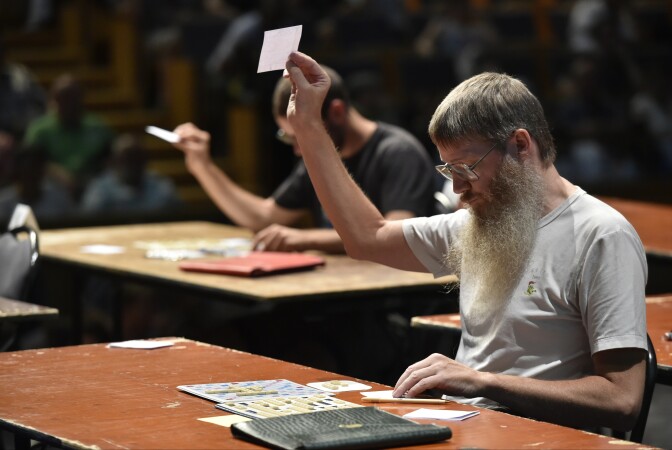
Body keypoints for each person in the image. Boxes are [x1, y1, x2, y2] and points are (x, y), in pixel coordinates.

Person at [282, 51, 648, 433]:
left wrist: (481, 381)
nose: (456, 188)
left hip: (541, 437)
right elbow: (366, 237)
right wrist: (309, 127)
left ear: (520, 145)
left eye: (466, 169)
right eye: (447, 170)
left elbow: (621, 400)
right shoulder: (479, 223)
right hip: (468, 427)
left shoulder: (601, 235)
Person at [171, 65, 436, 253]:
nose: (299, 150)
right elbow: (264, 218)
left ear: (337, 111)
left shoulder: (398, 152)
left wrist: (304, 239)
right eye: (289, 138)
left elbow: (395, 234)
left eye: (301, 134)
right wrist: (203, 167)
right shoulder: (317, 157)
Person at [23, 73, 115, 200]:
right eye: (64, 98)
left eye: (74, 98)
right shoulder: (40, 129)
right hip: (51, 186)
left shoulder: (97, 127)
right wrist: (57, 173)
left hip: (93, 186)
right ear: (53, 100)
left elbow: (111, 159)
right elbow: (30, 164)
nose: (70, 104)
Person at [80, 133, 182, 214]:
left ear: (145, 160)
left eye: (137, 157)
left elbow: (180, 216)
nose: (132, 163)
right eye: (126, 157)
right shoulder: (99, 188)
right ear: (114, 161)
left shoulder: (161, 186)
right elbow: (89, 220)